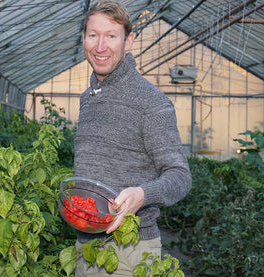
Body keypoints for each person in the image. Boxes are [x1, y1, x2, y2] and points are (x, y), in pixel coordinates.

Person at [73, 0, 192, 275]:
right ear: (83, 39)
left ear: (129, 42)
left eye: (111, 36)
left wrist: (142, 194)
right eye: (93, 35)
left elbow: (180, 177)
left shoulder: (151, 102)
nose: (100, 47)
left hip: (130, 251)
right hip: (85, 243)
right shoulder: (88, 99)